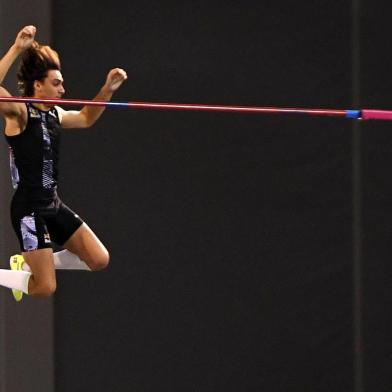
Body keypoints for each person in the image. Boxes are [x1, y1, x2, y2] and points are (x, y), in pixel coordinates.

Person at [0, 25, 127, 301]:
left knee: (99, 259)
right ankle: (18, 271)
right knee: (45, 287)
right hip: (28, 208)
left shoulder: (55, 114)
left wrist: (107, 90)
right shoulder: (19, 112)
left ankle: (29, 263)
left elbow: (85, 118)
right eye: (56, 83)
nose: (63, 89)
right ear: (38, 85)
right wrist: (17, 49)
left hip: (51, 203)